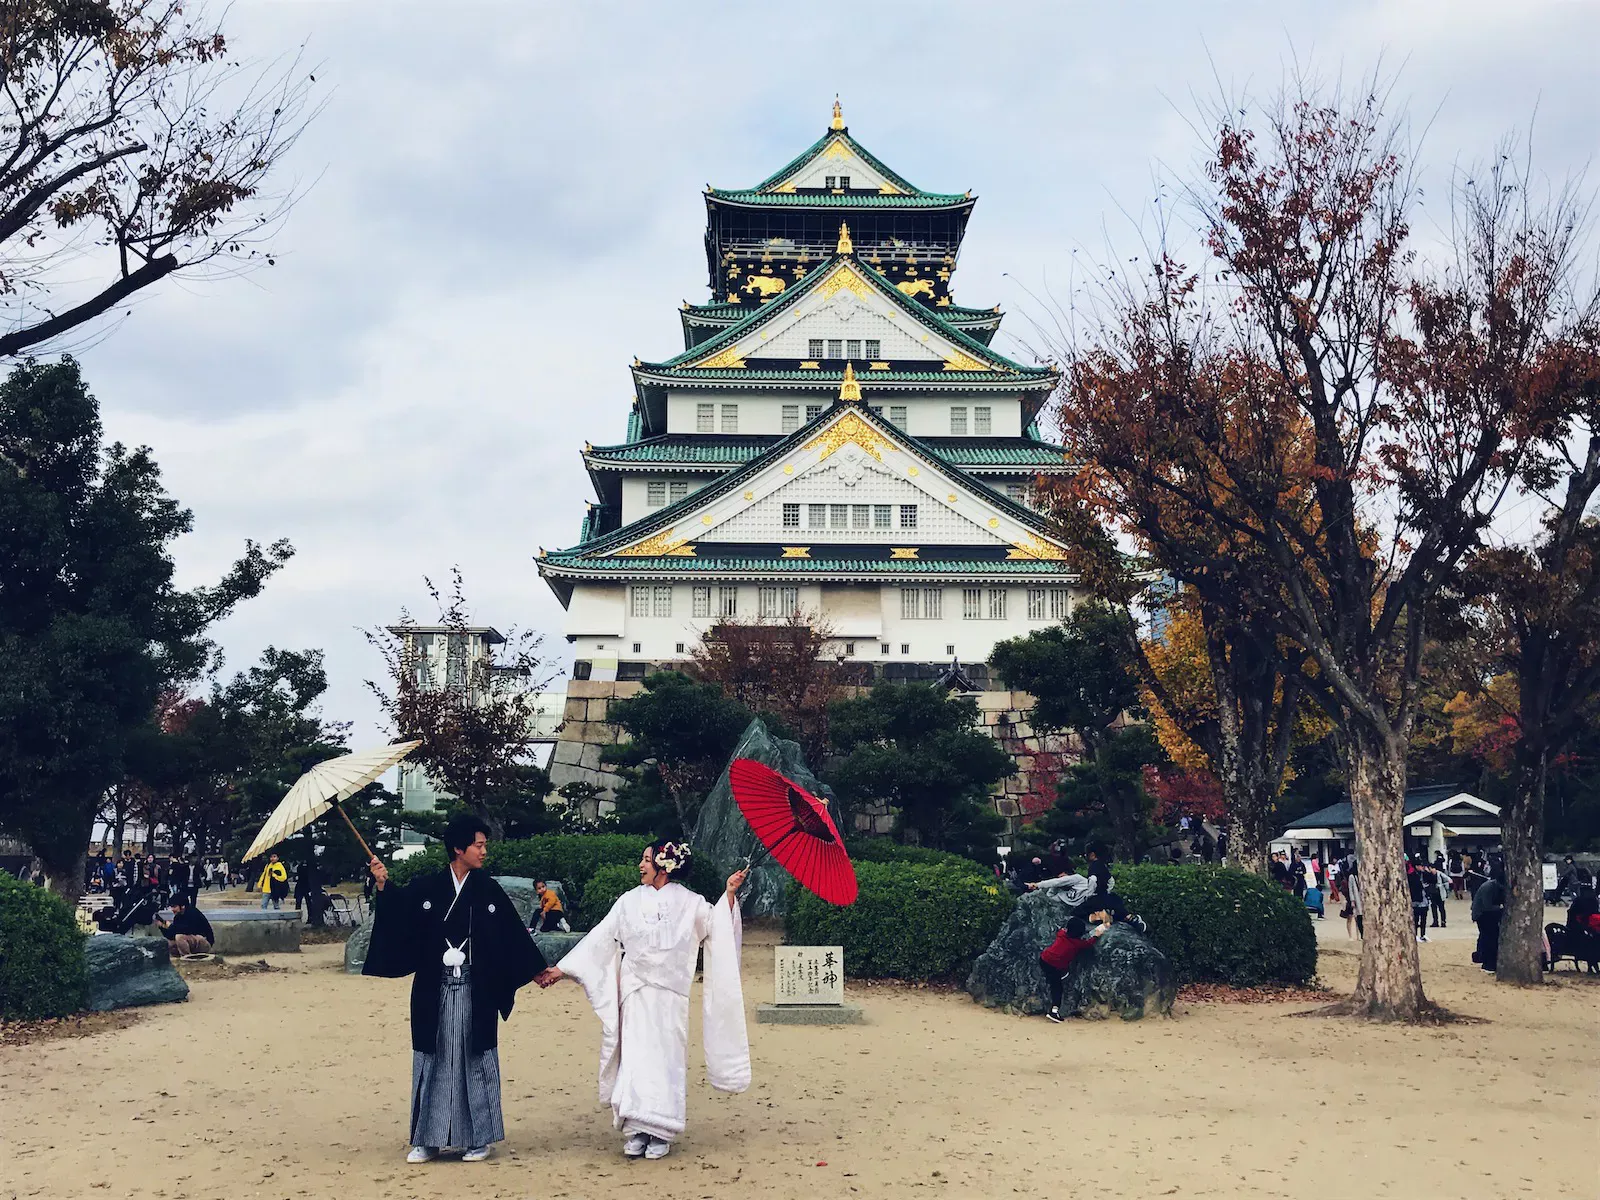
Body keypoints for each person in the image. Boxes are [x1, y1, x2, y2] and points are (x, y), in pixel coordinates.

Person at [537, 840, 749, 1161]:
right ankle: (637, 1129)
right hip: (635, 994)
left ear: (664, 866)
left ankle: (661, 1131)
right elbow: (601, 936)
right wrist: (563, 969)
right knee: (636, 1059)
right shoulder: (628, 901)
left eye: (647, 860)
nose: (641, 865)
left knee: (665, 1060)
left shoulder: (691, 903)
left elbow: (717, 924)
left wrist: (729, 893)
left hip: (670, 998)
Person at [363, 814, 546, 1165]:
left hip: (475, 989)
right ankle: (427, 1139)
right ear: (459, 848)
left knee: (472, 1058)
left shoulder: (487, 889)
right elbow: (399, 915)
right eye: (478, 845)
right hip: (436, 987)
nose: (484, 851)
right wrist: (384, 885)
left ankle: (477, 1138)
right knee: (434, 1057)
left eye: (484, 845)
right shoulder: (429, 887)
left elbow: (511, 934)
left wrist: (536, 970)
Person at [1039, 914, 1109, 1023]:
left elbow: (1063, 930)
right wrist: (1096, 935)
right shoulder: (1077, 944)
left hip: (1044, 959)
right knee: (1057, 988)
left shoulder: (1061, 934)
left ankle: (1055, 977)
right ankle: (1054, 1011)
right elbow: (1088, 944)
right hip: (1055, 966)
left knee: (1053, 974)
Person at [1471, 864, 1506, 974]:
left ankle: (1482, 957)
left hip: (1491, 914)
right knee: (1490, 938)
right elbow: (1487, 906)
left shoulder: (1498, 887)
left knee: (1486, 937)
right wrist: (1501, 907)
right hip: (1482, 914)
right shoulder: (1489, 887)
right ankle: (1488, 964)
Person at [1407, 852, 1430, 942]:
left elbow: (1432, 879)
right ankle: (1415, 935)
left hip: (1424, 899)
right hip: (1416, 899)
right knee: (1416, 919)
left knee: (1424, 918)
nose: (1422, 867)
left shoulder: (1424, 874)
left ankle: (1423, 934)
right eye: (1420, 866)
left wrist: (1428, 872)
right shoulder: (1412, 875)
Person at [1429, 853, 1448, 928]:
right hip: (1432, 893)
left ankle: (1443, 921)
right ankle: (1435, 921)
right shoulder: (1428, 875)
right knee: (1434, 908)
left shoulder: (1440, 874)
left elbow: (1448, 879)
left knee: (1441, 908)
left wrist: (1446, 889)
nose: (1431, 870)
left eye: (1431, 868)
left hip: (1440, 893)